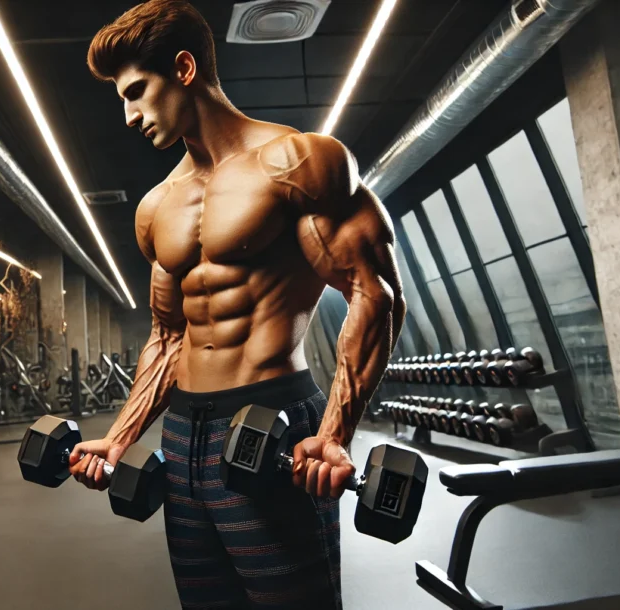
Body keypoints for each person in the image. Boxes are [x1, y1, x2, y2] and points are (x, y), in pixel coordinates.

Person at [70, 1, 405, 607]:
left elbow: (372, 292)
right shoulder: (157, 207)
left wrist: (334, 433)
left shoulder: (296, 163)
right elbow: (169, 337)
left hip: (269, 421)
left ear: (185, 68)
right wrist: (120, 435)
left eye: (138, 92)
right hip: (182, 437)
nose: (128, 115)